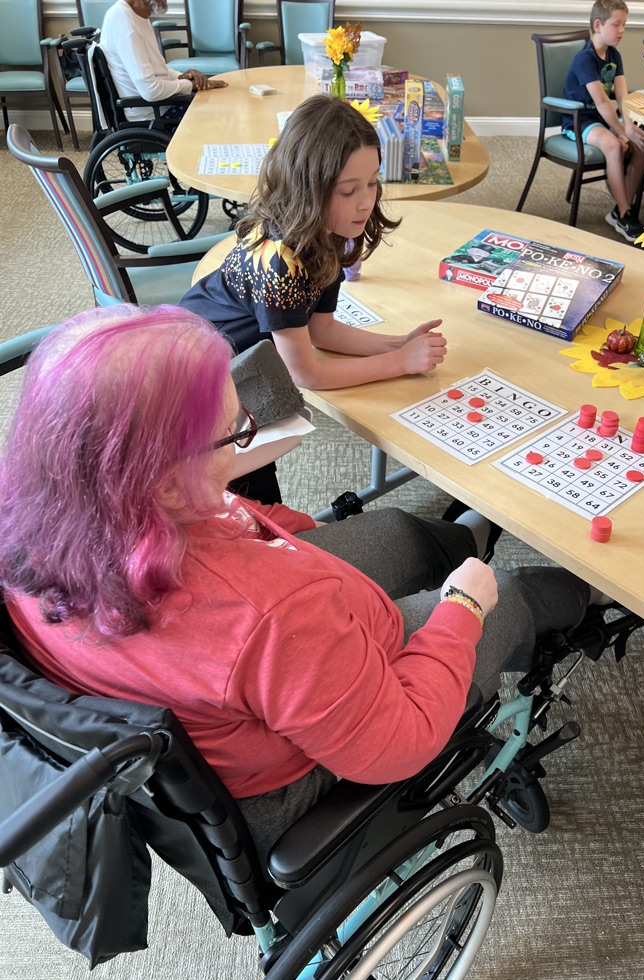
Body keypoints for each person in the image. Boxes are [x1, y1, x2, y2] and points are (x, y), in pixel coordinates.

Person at [0, 305, 599, 862]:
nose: (246, 441)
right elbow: (401, 740)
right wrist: (463, 608)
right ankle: (587, 595)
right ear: (162, 484)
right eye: (234, 432)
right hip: (283, 774)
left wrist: (279, 533)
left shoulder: (60, 509)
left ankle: (462, 540)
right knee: (509, 598)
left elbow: (227, 527)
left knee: (394, 534)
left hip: (216, 671)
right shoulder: (270, 614)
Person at [180, 94, 448, 386]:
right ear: (307, 190)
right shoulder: (280, 264)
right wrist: (399, 362)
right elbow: (304, 374)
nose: (366, 202)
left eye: (372, 183)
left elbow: (320, 331)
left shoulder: (326, 231)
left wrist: (399, 344)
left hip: (237, 358)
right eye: (348, 191)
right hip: (192, 366)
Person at [563, 0, 644, 242]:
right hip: (580, 120)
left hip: (603, 119)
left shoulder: (614, 54)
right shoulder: (585, 58)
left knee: (643, 143)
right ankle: (625, 214)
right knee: (614, 145)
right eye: (616, 24)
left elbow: (622, 95)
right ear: (598, 25)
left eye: (624, 24)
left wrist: (629, 125)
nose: (622, 30)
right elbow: (602, 102)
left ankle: (621, 209)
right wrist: (621, 132)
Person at [100, 0, 228, 124]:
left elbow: (159, 67)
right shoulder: (123, 19)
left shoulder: (140, 15)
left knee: (220, 102)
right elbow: (150, 91)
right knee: (220, 115)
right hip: (152, 115)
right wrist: (190, 85)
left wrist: (181, 76)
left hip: (163, 104)